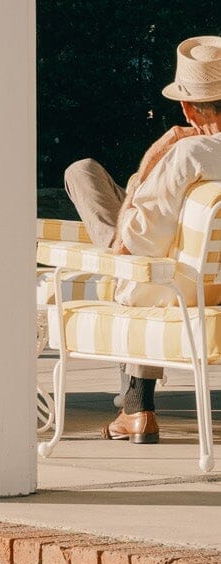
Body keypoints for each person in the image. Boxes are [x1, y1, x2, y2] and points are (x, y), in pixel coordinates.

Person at [64, 35, 221, 445]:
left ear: (187, 107)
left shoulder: (188, 154)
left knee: (81, 175)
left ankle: (136, 408)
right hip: (208, 272)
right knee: (87, 172)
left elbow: (130, 248)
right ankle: (134, 407)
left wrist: (157, 155)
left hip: (172, 280)